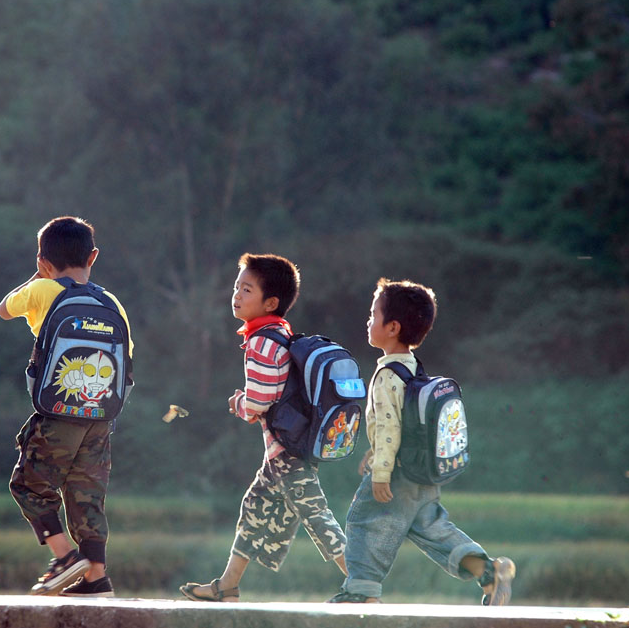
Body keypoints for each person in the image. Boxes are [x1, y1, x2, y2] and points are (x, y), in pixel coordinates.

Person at [329, 278, 515, 605]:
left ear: (392, 327)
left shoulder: (387, 375)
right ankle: (487, 571)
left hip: (398, 474)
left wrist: (381, 471)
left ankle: (360, 593)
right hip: (422, 473)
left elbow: (390, 429)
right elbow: (403, 423)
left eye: (374, 315)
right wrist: (375, 451)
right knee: (431, 528)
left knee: (364, 523)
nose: (368, 321)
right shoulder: (414, 369)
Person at [180, 253, 347, 602]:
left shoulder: (261, 342)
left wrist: (239, 403)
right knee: (254, 508)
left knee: (316, 516)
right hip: (285, 450)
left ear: (270, 302)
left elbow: (258, 402)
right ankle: (227, 584)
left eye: (247, 289)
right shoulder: (279, 334)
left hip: (286, 453)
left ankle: (361, 582)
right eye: (237, 287)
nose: (236, 295)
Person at [0, 216, 133, 598]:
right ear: (93, 256)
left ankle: (65, 558)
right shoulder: (112, 303)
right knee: (87, 492)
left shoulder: (43, 291)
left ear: (43, 262)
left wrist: (40, 277)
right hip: (102, 415)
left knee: (27, 483)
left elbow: (4, 309)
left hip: (59, 413)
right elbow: (127, 363)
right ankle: (96, 578)